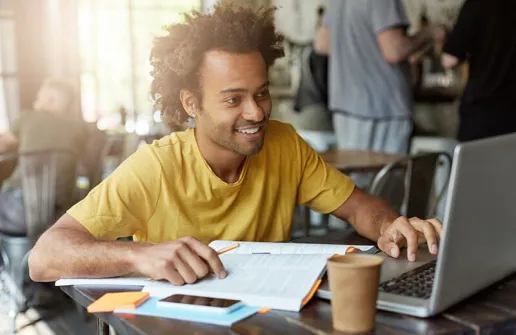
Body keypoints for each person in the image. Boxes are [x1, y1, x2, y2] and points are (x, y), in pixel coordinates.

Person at [28, 1, 442, 286]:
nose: (257, 112)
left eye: (261, 93)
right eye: (233, 99)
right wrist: (139, 256)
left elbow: (358, 206)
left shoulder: (285, 144)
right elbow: (43, 257)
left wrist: (390, 227)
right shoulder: (156, 167)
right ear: (191, 103)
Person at [314, 0, 447, 158]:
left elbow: (322, 44)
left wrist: (363, 50)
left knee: (354, 178)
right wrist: (430, 33)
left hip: (346, 108)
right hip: (382, 108)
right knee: (385, 180)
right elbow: (394, 50)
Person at [0, 78, 87, 235]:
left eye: (38, 97)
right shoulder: (78, 128)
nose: (35, 102)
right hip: (64, 213)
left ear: (50, 99)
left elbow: (2, 144)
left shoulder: (28, 117)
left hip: (20, 209)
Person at [441, 0, 516, 142]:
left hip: (483, 109)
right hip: (512, 108)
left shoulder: (477, 4)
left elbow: (450, 59)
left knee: (476, 162)